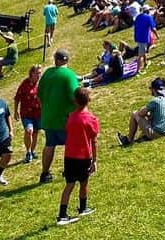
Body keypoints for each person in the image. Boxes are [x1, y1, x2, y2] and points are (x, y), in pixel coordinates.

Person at [57, 87, 99, 226]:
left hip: (69, 156)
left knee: (69, 185)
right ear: (89, 100)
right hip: (84, 156)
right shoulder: (91, 119)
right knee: (84, 182)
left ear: (75, 101)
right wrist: (95, 161)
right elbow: (94, 141)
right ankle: (83, 208)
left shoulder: (71, 117)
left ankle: (62, 215)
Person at [37, 49, 80, 183]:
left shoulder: (47, 73)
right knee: (71, 144)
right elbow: (75, 97)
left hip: (48, 118)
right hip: (64, 119)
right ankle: (69, 170)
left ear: (56, 60)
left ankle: (44, 174)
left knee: (50, 144)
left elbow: (39, 96)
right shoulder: (69, 74)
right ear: (66, 60)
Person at [116, 78, 165, 146]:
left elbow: (140, 113)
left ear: (153, 89)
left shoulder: (155, 101)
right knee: (148, 117)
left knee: (134, 113)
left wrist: (145, 113)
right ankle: (141, 137)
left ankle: (128, 140)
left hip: (157, 133)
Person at [15, 64, 42, 163]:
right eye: (37, 73)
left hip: (38, 113)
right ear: (31, 73)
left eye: (40, 73)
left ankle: (32, 151)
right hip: (26, 113)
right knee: (29, 130)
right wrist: (15, 110)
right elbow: (17, 97)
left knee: (35, 132)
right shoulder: (25, 84)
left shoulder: (41, 84)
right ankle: (28, 152)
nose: (39, 75)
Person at [133, 6, 156, 73]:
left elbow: (135, 27)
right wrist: (157, 35)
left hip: (138, 37)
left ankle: (145, 63)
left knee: (143, 51)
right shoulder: (149, 17)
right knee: (140, 55)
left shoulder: (137, 17)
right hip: (144, 38)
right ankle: (138, 70)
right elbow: (153, 28)